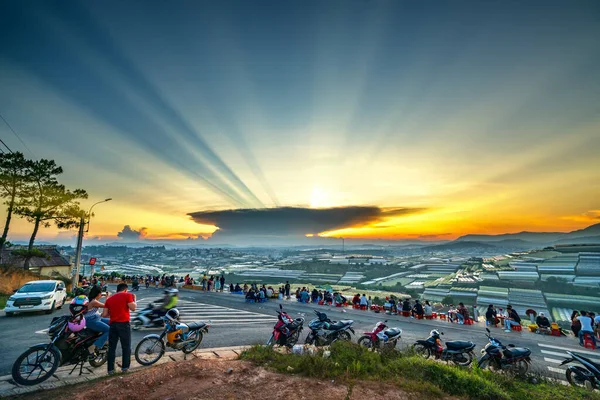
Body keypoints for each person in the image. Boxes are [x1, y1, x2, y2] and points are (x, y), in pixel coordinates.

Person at [102, 283, 136, 374]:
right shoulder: (127, 295)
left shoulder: (109, 299)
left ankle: (110, 370)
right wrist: (134, 299)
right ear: (125, 289)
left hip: (113, 325)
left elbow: (104, 314)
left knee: (112, 347)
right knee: (126, 346)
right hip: (124, 324)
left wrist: (114, 313)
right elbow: (133, 308)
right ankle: (125, 368)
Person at [84, 285, 109, 357]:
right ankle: (93, 346)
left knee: (112, 322)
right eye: (101, 293)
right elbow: (106, 306)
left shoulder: (90, 299)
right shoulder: (94, 302)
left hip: (96, 318)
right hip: (91, 321)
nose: (101, 295)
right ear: (98, 294)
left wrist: (103, 295)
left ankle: (105, 340)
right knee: (109, 330)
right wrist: (107, 298)